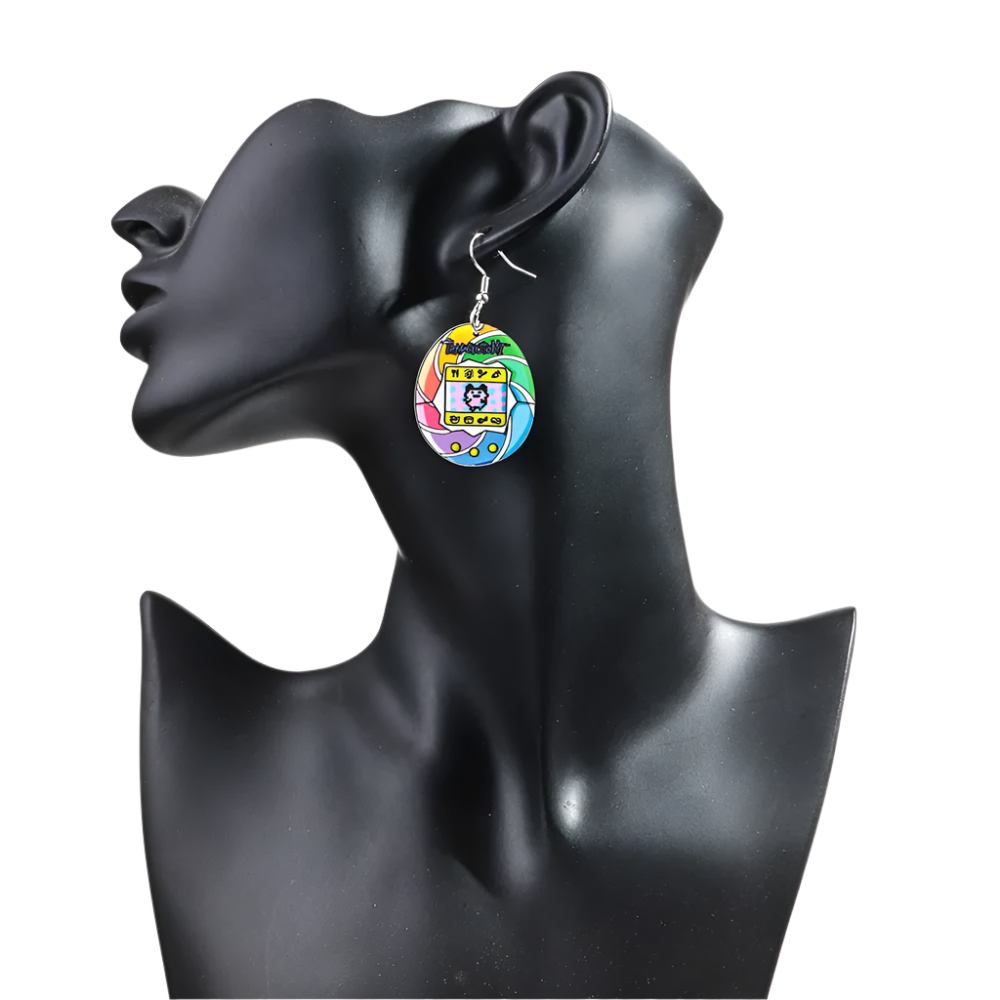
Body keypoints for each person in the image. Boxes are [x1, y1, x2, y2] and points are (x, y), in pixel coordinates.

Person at [115, 70, 856, 999]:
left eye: (365, 109)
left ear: (519, 177)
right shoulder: (202, 744)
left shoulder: (839, 714)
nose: (154, 216)